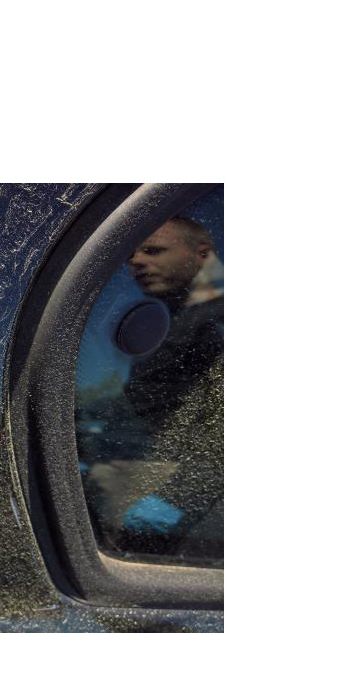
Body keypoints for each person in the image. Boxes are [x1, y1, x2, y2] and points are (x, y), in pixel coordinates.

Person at [87, 215, 223, 558]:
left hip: (160, 490)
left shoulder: (220, 322)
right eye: (131, 255)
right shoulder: (170, 320)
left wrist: (173, 499)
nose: (135, 261)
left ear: (203, 254)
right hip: (128, 482)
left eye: (153, 250)